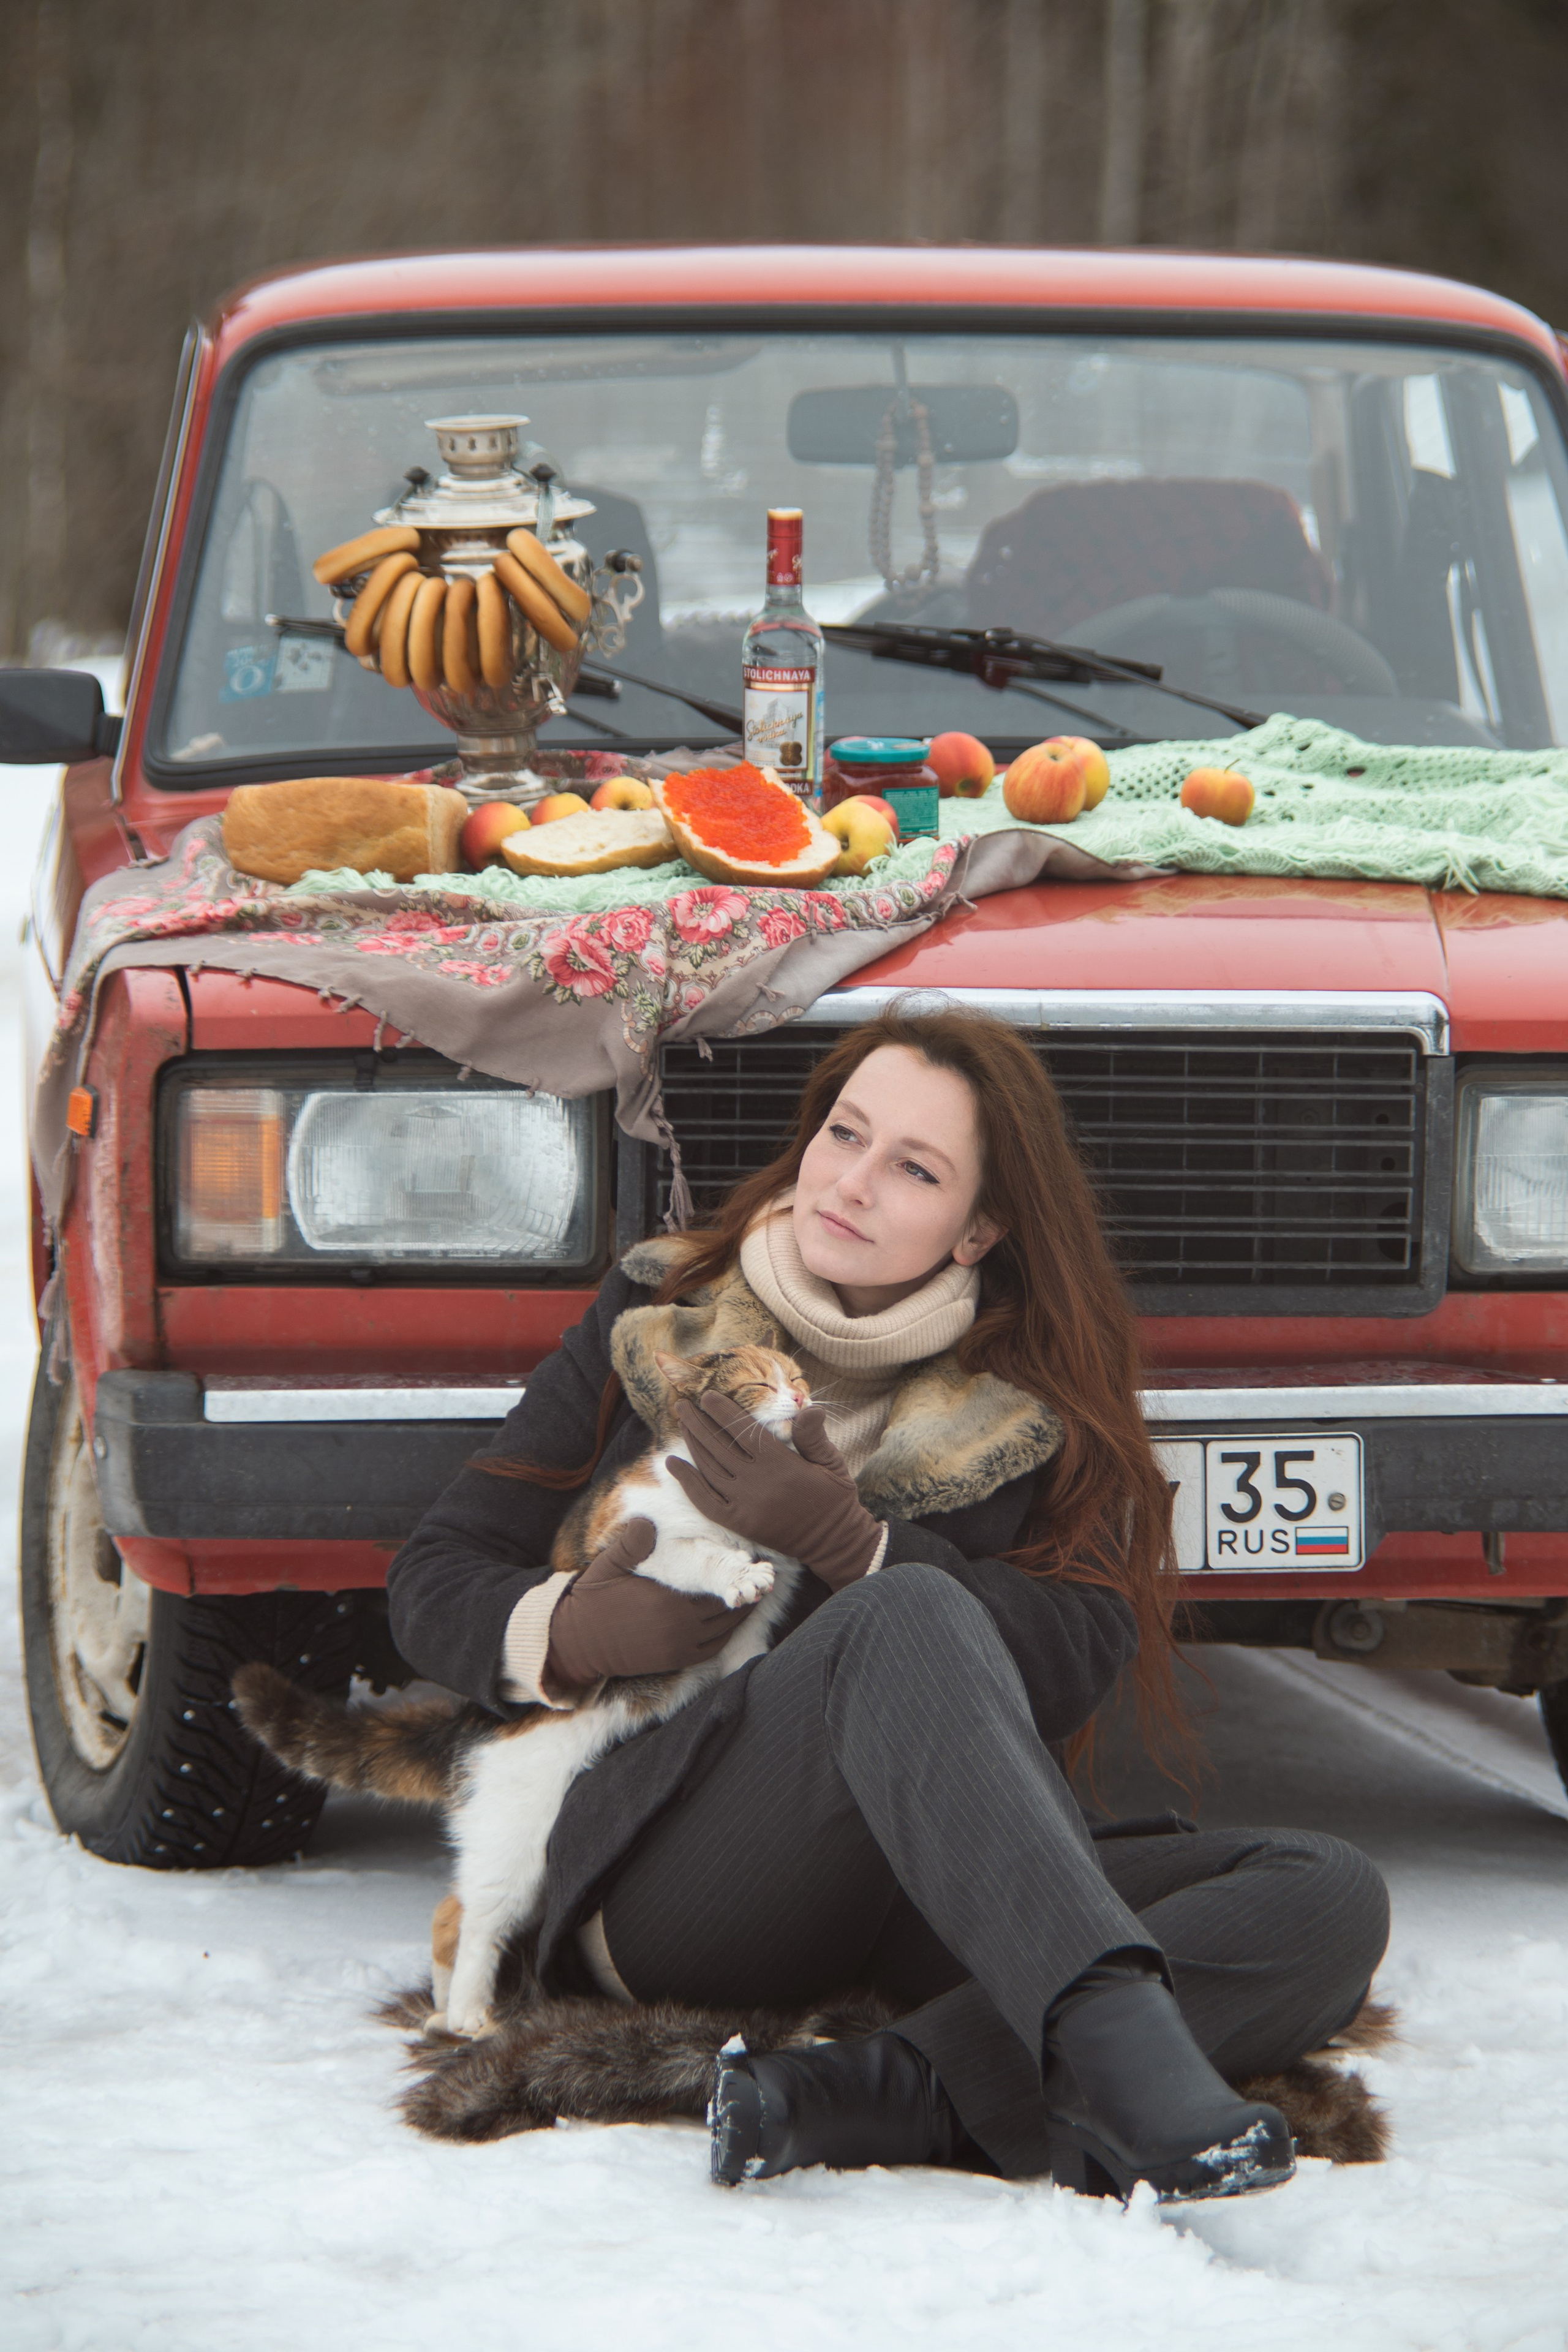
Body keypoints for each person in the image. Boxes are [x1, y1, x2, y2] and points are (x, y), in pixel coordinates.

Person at [386, 1005, 1389, 2199]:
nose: (849, 1183)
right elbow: (435, 1575)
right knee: (899, 1615)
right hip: (672, 1882)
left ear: (976, 1232)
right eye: (842, 1134)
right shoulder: (660, 1318)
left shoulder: (1034, 1401)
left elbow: (1071, 1660)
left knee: (1325, 1898)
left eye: (910, 1168)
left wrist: (851, 1541)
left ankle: (878, 2089)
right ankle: (1125, 2085)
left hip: (931, 1889)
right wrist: (567, 1628)